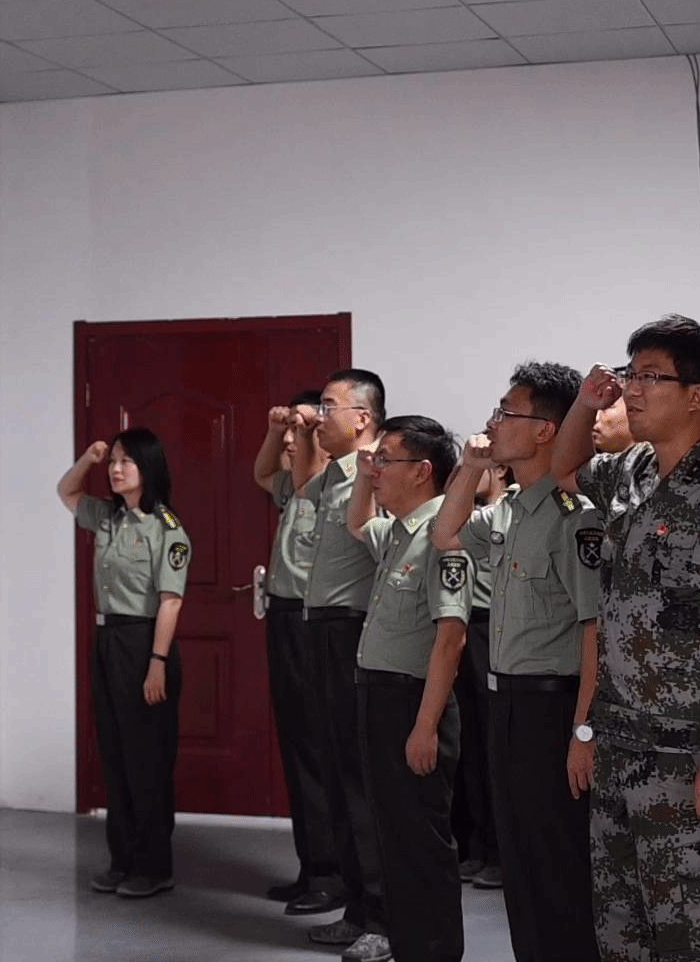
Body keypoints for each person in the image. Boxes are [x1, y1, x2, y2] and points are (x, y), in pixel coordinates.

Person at [551, 314, 700, 962]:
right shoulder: (630, 469)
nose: (632, 389)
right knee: (621, 929)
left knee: (693, 931)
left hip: (687, 752)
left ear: (696, 395)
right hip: (619, 742)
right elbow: (563, 467)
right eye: (630, 374)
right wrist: (584, 402)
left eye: (650, 376)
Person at [432, 362, 601, 962]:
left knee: (558, 860)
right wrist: (470, 467)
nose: (493, 421)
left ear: (545, 430)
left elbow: (594, 629)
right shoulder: (505, 510)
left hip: (554, 708)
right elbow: (445, 533)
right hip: (506, 702)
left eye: (507, 412)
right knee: (520, 860)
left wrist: (583, 731)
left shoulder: (574, 516)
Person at [346, 416, 472, 962]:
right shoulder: (397, 530)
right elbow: (357, 523)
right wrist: (362, 474)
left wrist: (425, 725)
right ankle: (408, 944)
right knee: (391, 835)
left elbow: (451, 638)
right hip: (380, 698)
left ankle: (435, 951)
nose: (375, 470)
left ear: (422, 471)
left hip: (415, 703)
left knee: (421, 841)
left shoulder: (443, 535)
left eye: (385, 460)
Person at [56, 429, 190, 899]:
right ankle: (122, 860)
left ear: (147, 468)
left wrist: (157, 662)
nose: (115, 469)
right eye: (112, 460)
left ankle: (154, 866)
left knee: (146, 758)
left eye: (125, 461)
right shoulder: (107, 517)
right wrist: (86, 459)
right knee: (114, 755)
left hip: (144, 642)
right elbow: (66, 491)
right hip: (108, 640)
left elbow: (171, 601)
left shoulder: (167, 529)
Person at [292, 369, 393, 962]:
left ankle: (382, 918)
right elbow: (298, 481)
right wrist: (304, 432)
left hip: (357, 630)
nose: (317, 414)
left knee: (362, 782)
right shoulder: (334, 472)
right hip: (323, 630)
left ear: (362, 417)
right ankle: (357, 909)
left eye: (328, 406)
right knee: (335, 774)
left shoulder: (379, 471)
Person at [252, 389, 341, 911]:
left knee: (318, 749)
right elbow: (263, 473)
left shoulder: (335, 487)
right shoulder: (293, 486)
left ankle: (331, 873)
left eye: (299, 431)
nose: (289, 440)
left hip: (314, 623)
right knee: (296, 745)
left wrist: (303, 429)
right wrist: (274, 430)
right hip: (285, 621)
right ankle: (312, 868)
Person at [450, 463, 509, 891]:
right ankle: (474, 845)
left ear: (500, 470)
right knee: (467, 744)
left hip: (494, 627)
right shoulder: (470, 517)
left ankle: (498, 852)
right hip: (464, 625)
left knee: (492, 745)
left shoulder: (510, 511)